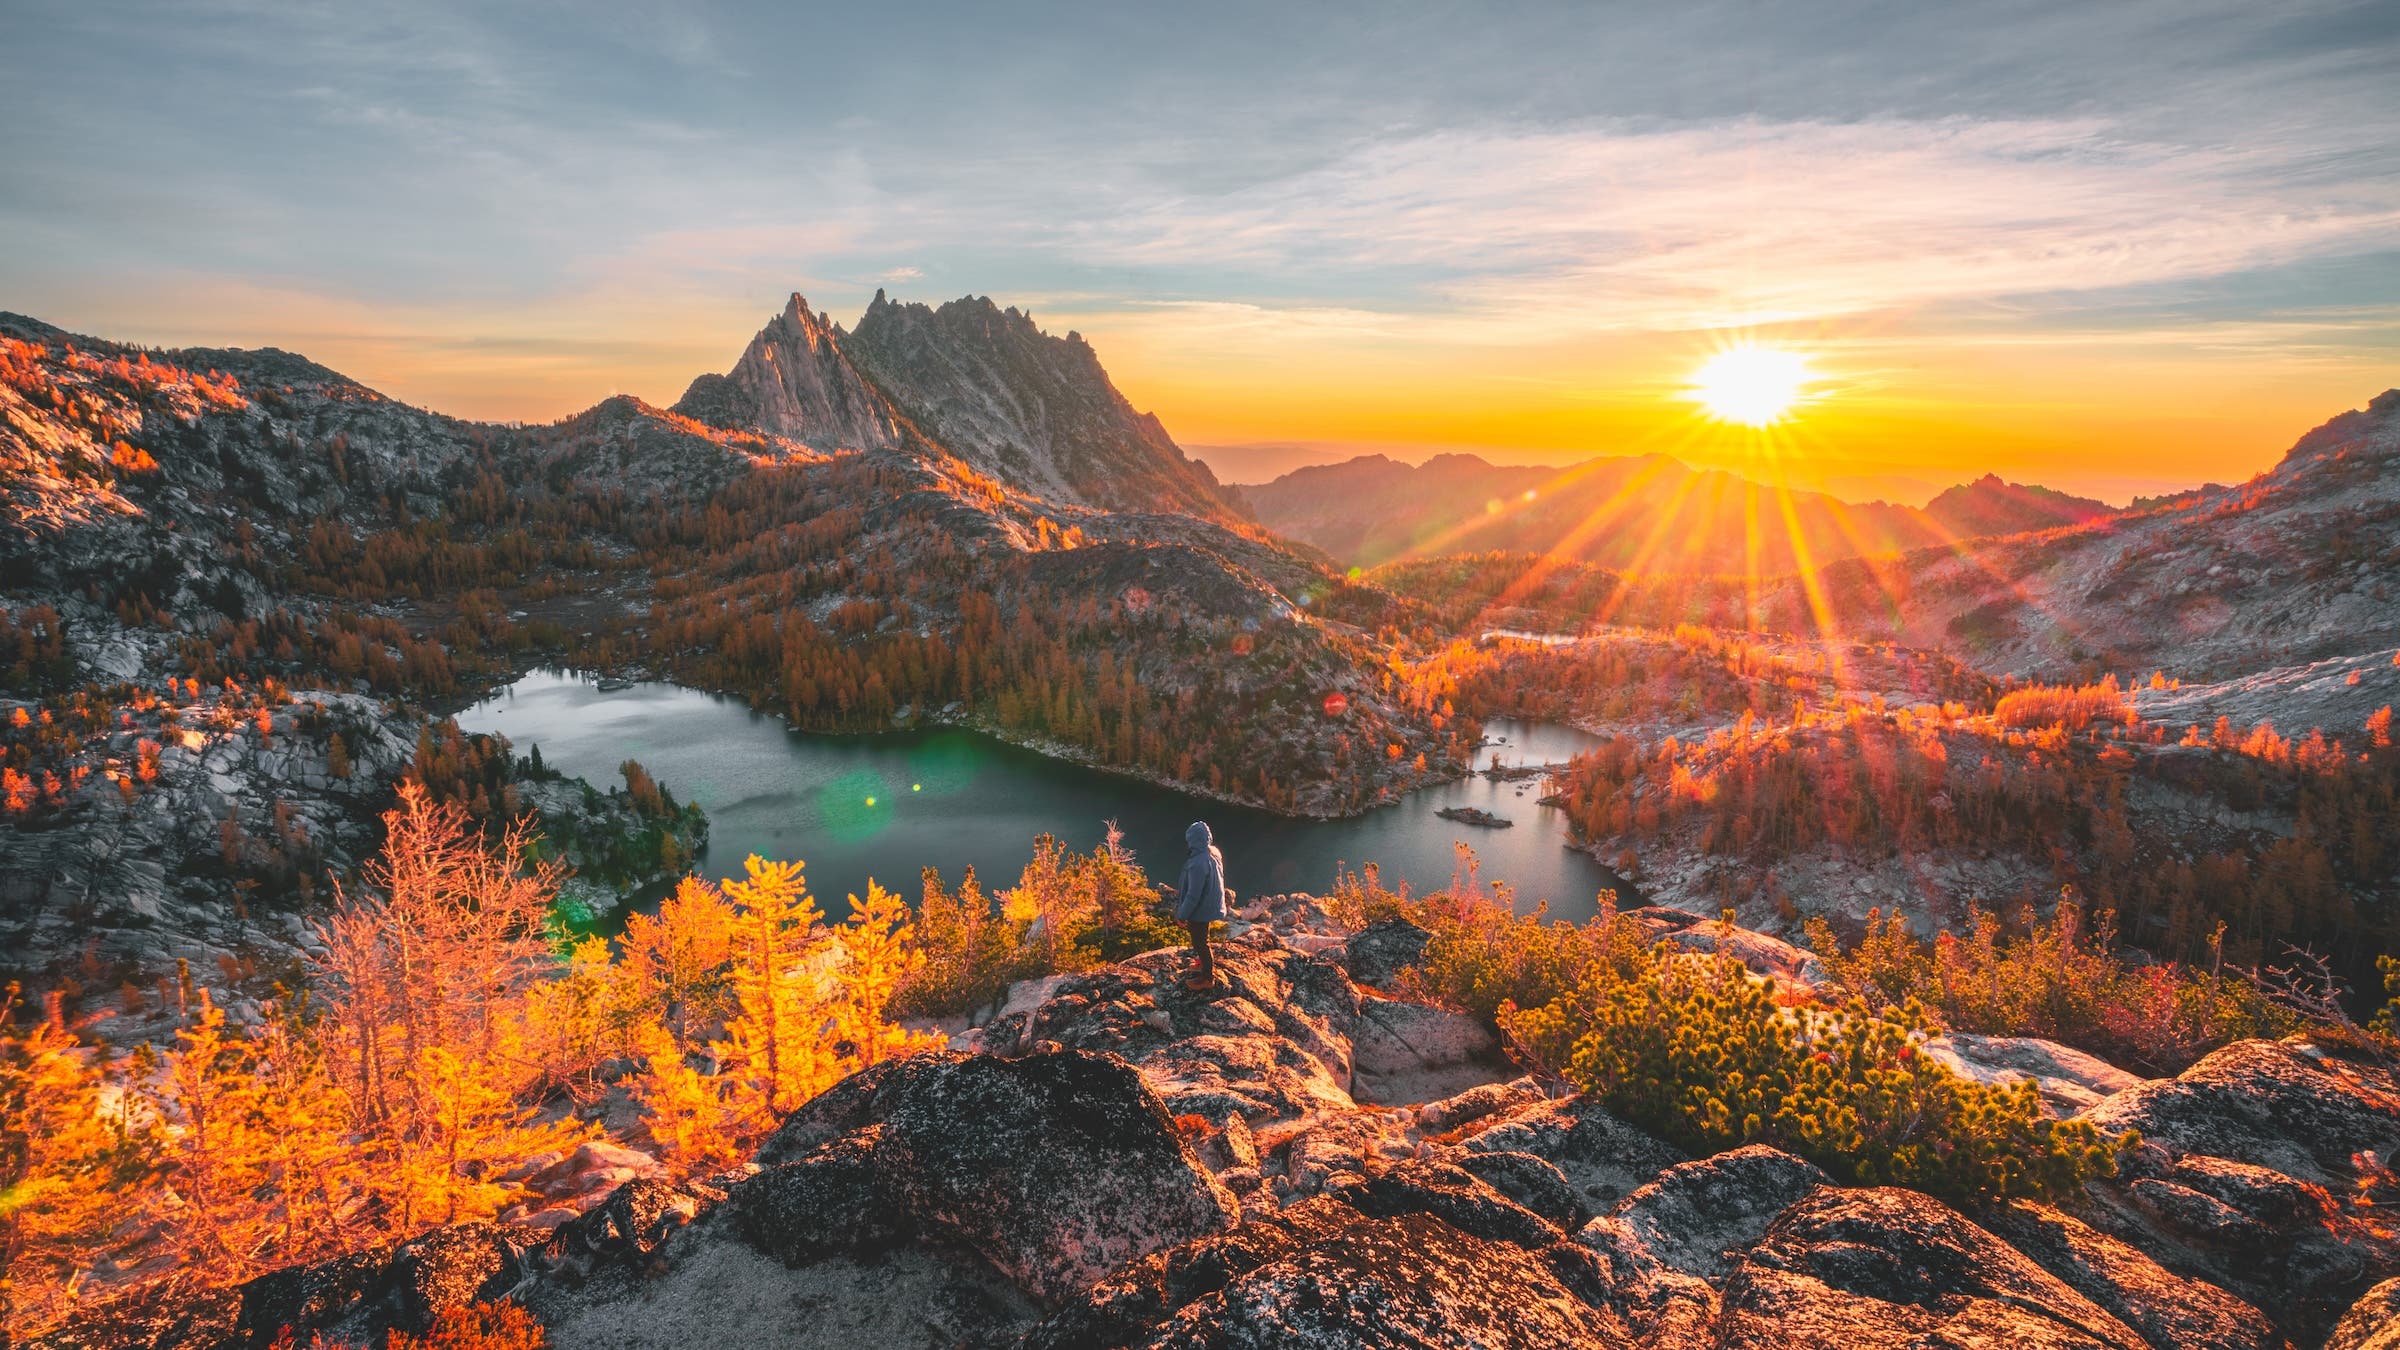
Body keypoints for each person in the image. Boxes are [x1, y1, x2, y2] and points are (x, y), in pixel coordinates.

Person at [1175, 820, 1227, 990]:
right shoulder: (1213, 852)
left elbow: (1193, 895)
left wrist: (1182, 915)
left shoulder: (1198, 862)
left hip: (1201, 908)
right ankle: (1202, 963)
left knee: (1200, 942)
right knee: (1201, 936)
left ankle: (1207, 978)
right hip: (1211, 903)